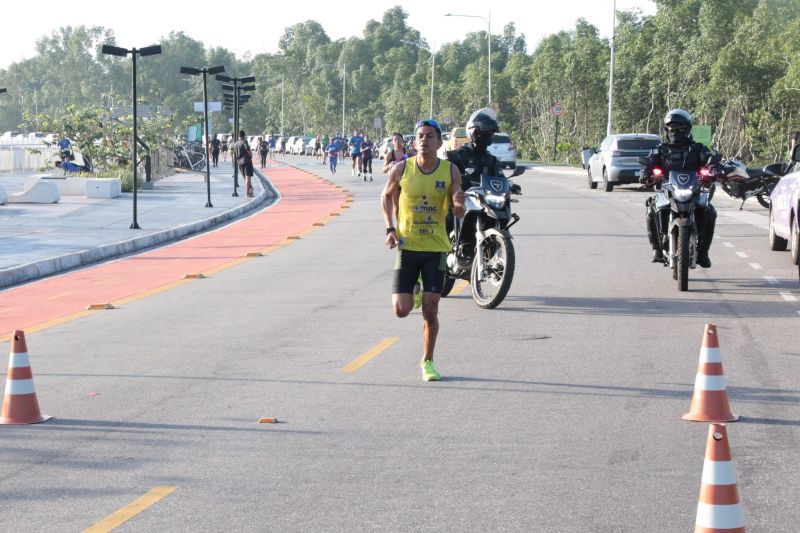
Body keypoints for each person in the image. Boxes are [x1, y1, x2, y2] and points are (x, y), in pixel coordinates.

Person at [380, 119, 465, 382]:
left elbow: (458, 205)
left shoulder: (450, 171)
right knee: (401, 311)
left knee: (431, 309)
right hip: (407, 246)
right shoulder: (401, 168)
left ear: (440, 142)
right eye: (420, 136)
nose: (424, 140)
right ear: (414, 142)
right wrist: (390, 229)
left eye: (429, 136)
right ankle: (413, 290)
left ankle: (427, 361)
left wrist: (460, 205)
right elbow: (385, 196)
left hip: (436, 249)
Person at [639, 108, 720, 267]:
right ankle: (656, 249)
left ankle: (703, 253)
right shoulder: (660, 150)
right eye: (671, 128)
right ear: (666, 130)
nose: (674, 132)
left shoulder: (697, 149)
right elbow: (648, 163)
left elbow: (710, 160)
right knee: (651, 209)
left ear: (687, 129)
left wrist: (714, 170)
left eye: (679, 128)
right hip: (667, 190)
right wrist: (645, 173)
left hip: (693, 190)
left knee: (710, 211)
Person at [235, 130, 255, 197]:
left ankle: (251, 189)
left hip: (240, 162)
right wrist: (251, 155)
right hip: (246, 161)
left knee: (245, 177)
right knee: (248, 177)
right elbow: (248, 149)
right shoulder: (244, 141)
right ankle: (247, 193)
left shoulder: (236, 143)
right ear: (244, 135)